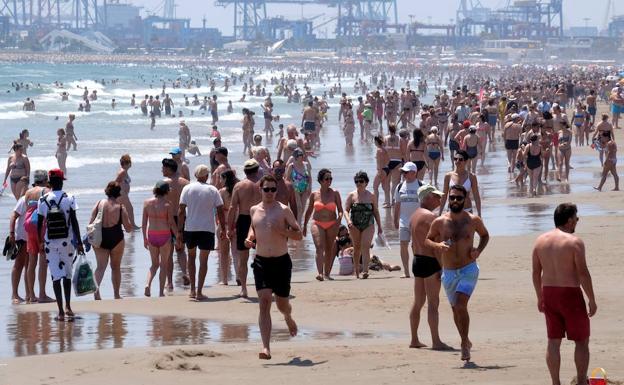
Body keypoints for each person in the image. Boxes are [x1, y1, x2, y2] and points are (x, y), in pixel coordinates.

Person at [531, 203, 597, 385]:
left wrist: (539, 297)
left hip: (549, 293)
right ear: (569, 221)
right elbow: (583, 273)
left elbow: (536, 273)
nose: (577, 221)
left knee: (553, 341)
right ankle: (582, 381)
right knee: (582, 341)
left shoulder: (540, 241)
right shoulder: (574, 242)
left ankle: (555, 382)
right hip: (570, 295)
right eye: (576, 218)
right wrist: (591, 299)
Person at [425, 184, 489, 361]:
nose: (454, 201)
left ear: (465, 199)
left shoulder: (473, 220)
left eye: (458, 198)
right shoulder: (439, 222)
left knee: (461, 306)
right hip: (449, 272)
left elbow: (485, 235)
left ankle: (463, 345)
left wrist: (478, 250)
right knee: (456, 310)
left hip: (469, 269)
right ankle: (465, 339)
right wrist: (438, 245)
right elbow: (427, 240)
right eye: (452, 197)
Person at [244, 174, 301, 360]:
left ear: (276, 191)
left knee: (282, 304)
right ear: (260, 189)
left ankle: (288, 317)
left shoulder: (284, 210)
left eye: (273, 189)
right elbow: (253, 227)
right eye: (266, 189)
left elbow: (299, 234)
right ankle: (265, 347)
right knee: (265, 301)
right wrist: (250, 238)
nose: (269, 192)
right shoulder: (254, 210)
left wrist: (283, 231)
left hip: (281, 261)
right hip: (261, 261)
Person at [36, 168, 84, 321]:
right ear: (61, 182)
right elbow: (75, 221)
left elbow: (39, 224)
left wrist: (40, 242)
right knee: (67, 276)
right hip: (68, 241)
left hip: (50, 243)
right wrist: (80, 243)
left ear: (50, 182)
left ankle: (60, 312)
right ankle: (68, 307)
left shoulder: (43, 200)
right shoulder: (69, 197)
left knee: (55, 276)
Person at [409, 184, 449, 350]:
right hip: (430, 261)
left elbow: (413, 243)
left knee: (418, 302)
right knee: (433, 302)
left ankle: (414, 339)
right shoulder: (431, 218)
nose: (440, 199)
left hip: (417, 260)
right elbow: (437, 247)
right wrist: (443, 268)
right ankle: (436, 341)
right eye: (436, 196)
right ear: (426, 198)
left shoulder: (414, 215)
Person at [178, 165, 226, 300]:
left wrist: (179, 231)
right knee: (203, 260)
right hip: (207, 229)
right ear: (206, 176)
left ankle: (192, 290)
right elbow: (220, 211)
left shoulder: (187, 188)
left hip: (191, 228)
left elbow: (181, 211)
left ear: (195, 175)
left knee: (191, 258)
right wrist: (223, 228)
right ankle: (199, 291)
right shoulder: (212, 190)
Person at [89, 181, 132, 300]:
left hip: (100, 238)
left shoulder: (99, 204)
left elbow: (91, 223)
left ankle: (96, 292)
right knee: (116, 267)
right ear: (118, 193)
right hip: (116, 238)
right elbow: (128, 228)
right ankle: (116, 294)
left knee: (100, 267)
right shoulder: (120, 207)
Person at [228, 159, 262, 298]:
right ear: (257, 169)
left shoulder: (239, 186)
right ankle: (264, 285)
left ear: (245, 171)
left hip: (244, 219)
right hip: (260, 218)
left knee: (243, 257)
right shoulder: (263, 184)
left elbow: (232, 207)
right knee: (265, 254)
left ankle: (244, 289)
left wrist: (229, 227)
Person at [303, 168, 344, 281]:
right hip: (317, 223)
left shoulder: (335, 193)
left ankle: (327, 273)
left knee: (329, 248)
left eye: (331, 178)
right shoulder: (314, 194)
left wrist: (339, 218)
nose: (329, 181)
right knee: (319, 247)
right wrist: (304, 225)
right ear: (320, 180)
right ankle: (320, 273)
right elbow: (309, 210)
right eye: (326, 179)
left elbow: (340, 209)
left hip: (332, 223)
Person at [344, 171, 383, 279]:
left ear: (366, 182)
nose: (358, 183)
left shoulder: (371, 196)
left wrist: (379, 226)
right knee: (356, 248)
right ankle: (356, 270)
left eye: (361, 181)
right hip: (354, 225)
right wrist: (348, 221)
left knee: (365, 247)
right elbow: (346, 210)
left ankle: (365, 270)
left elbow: (376, 211)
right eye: (356, 181)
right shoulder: (351, 195)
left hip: (368, 224)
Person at [142, 181, 177, 297]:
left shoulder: (147, 203)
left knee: (154, 265)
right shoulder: (167, 204)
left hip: (152, 235)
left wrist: (144, 239)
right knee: (163, 265)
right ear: (166, 191)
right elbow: (171, 223)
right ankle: (161, 292)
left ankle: (147, 284)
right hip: (164, 235)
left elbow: (144, 223)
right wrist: (178, 236)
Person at [161, 158, 190, 290]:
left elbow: (158, 202)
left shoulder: (163, 184)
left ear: (168, 168)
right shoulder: (186, 183)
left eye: (163, 167)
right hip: (182, 218)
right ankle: (185, 273)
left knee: (168, 252)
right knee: (181, 250)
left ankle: (170, 282)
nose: (162, 170)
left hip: (167, 219)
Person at [393, 162, 423, 278]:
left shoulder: (421, 185)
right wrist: (395, 220)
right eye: (403, 172)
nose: (404, 174)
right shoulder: (400, 186)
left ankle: (418, 269)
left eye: (406, 172)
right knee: (403, 245)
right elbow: (397, 204)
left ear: (414, 173)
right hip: (403, 221)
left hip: (418, 222)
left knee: (416, 247)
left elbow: (428, 203)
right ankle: (406, 271)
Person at [439, 150, 482, 217]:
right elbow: (444, 196)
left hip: (467, 210)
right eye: (455, 159)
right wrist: (440, 212)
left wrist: (479, 213)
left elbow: (476, 196)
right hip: (451, 210)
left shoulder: (471, 177)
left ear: (466, 161)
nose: (457, 161)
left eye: (460, 159)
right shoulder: (448, 176)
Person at [218, 170, 240, 285]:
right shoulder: (238, 191)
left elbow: (218, 211)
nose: (220, 181)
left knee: (224, 253)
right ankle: (238, 276)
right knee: (236, 252)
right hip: (236, 224)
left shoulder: (221, 192)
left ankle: (225, 280)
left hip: (224, 224)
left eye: (221, 178)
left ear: (225, 179)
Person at [9, 181, 28, 304]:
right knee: (19, 264)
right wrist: (11, 234)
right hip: (21, 236)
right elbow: (13, 216)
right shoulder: (24, 199)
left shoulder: (42, 198)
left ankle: (29, 294)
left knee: (30, 266)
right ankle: (14, 294)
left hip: (32, 237)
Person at [285, 148, 311, 225]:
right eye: (300, 155)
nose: (302, 156)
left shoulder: (306, 164)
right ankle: (299, 226)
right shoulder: (291, 166)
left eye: (302, 155)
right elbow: (287, 178)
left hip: (305, 188)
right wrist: (288, 189)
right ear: (296, 156)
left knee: (303, 208)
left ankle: (298, 222)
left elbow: (309, 177)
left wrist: (310, 187)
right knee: (299, 207)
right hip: (295, 189)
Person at [115, 154, 139, 229]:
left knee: (121, 211)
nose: (131, 164)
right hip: (122, 194)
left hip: (123, 194)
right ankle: (132, 225)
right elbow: (116, 182)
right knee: (129, 209)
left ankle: (123, 226)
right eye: (129, 162)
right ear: (126, 163)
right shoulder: (122, 172)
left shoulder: (124, 171)